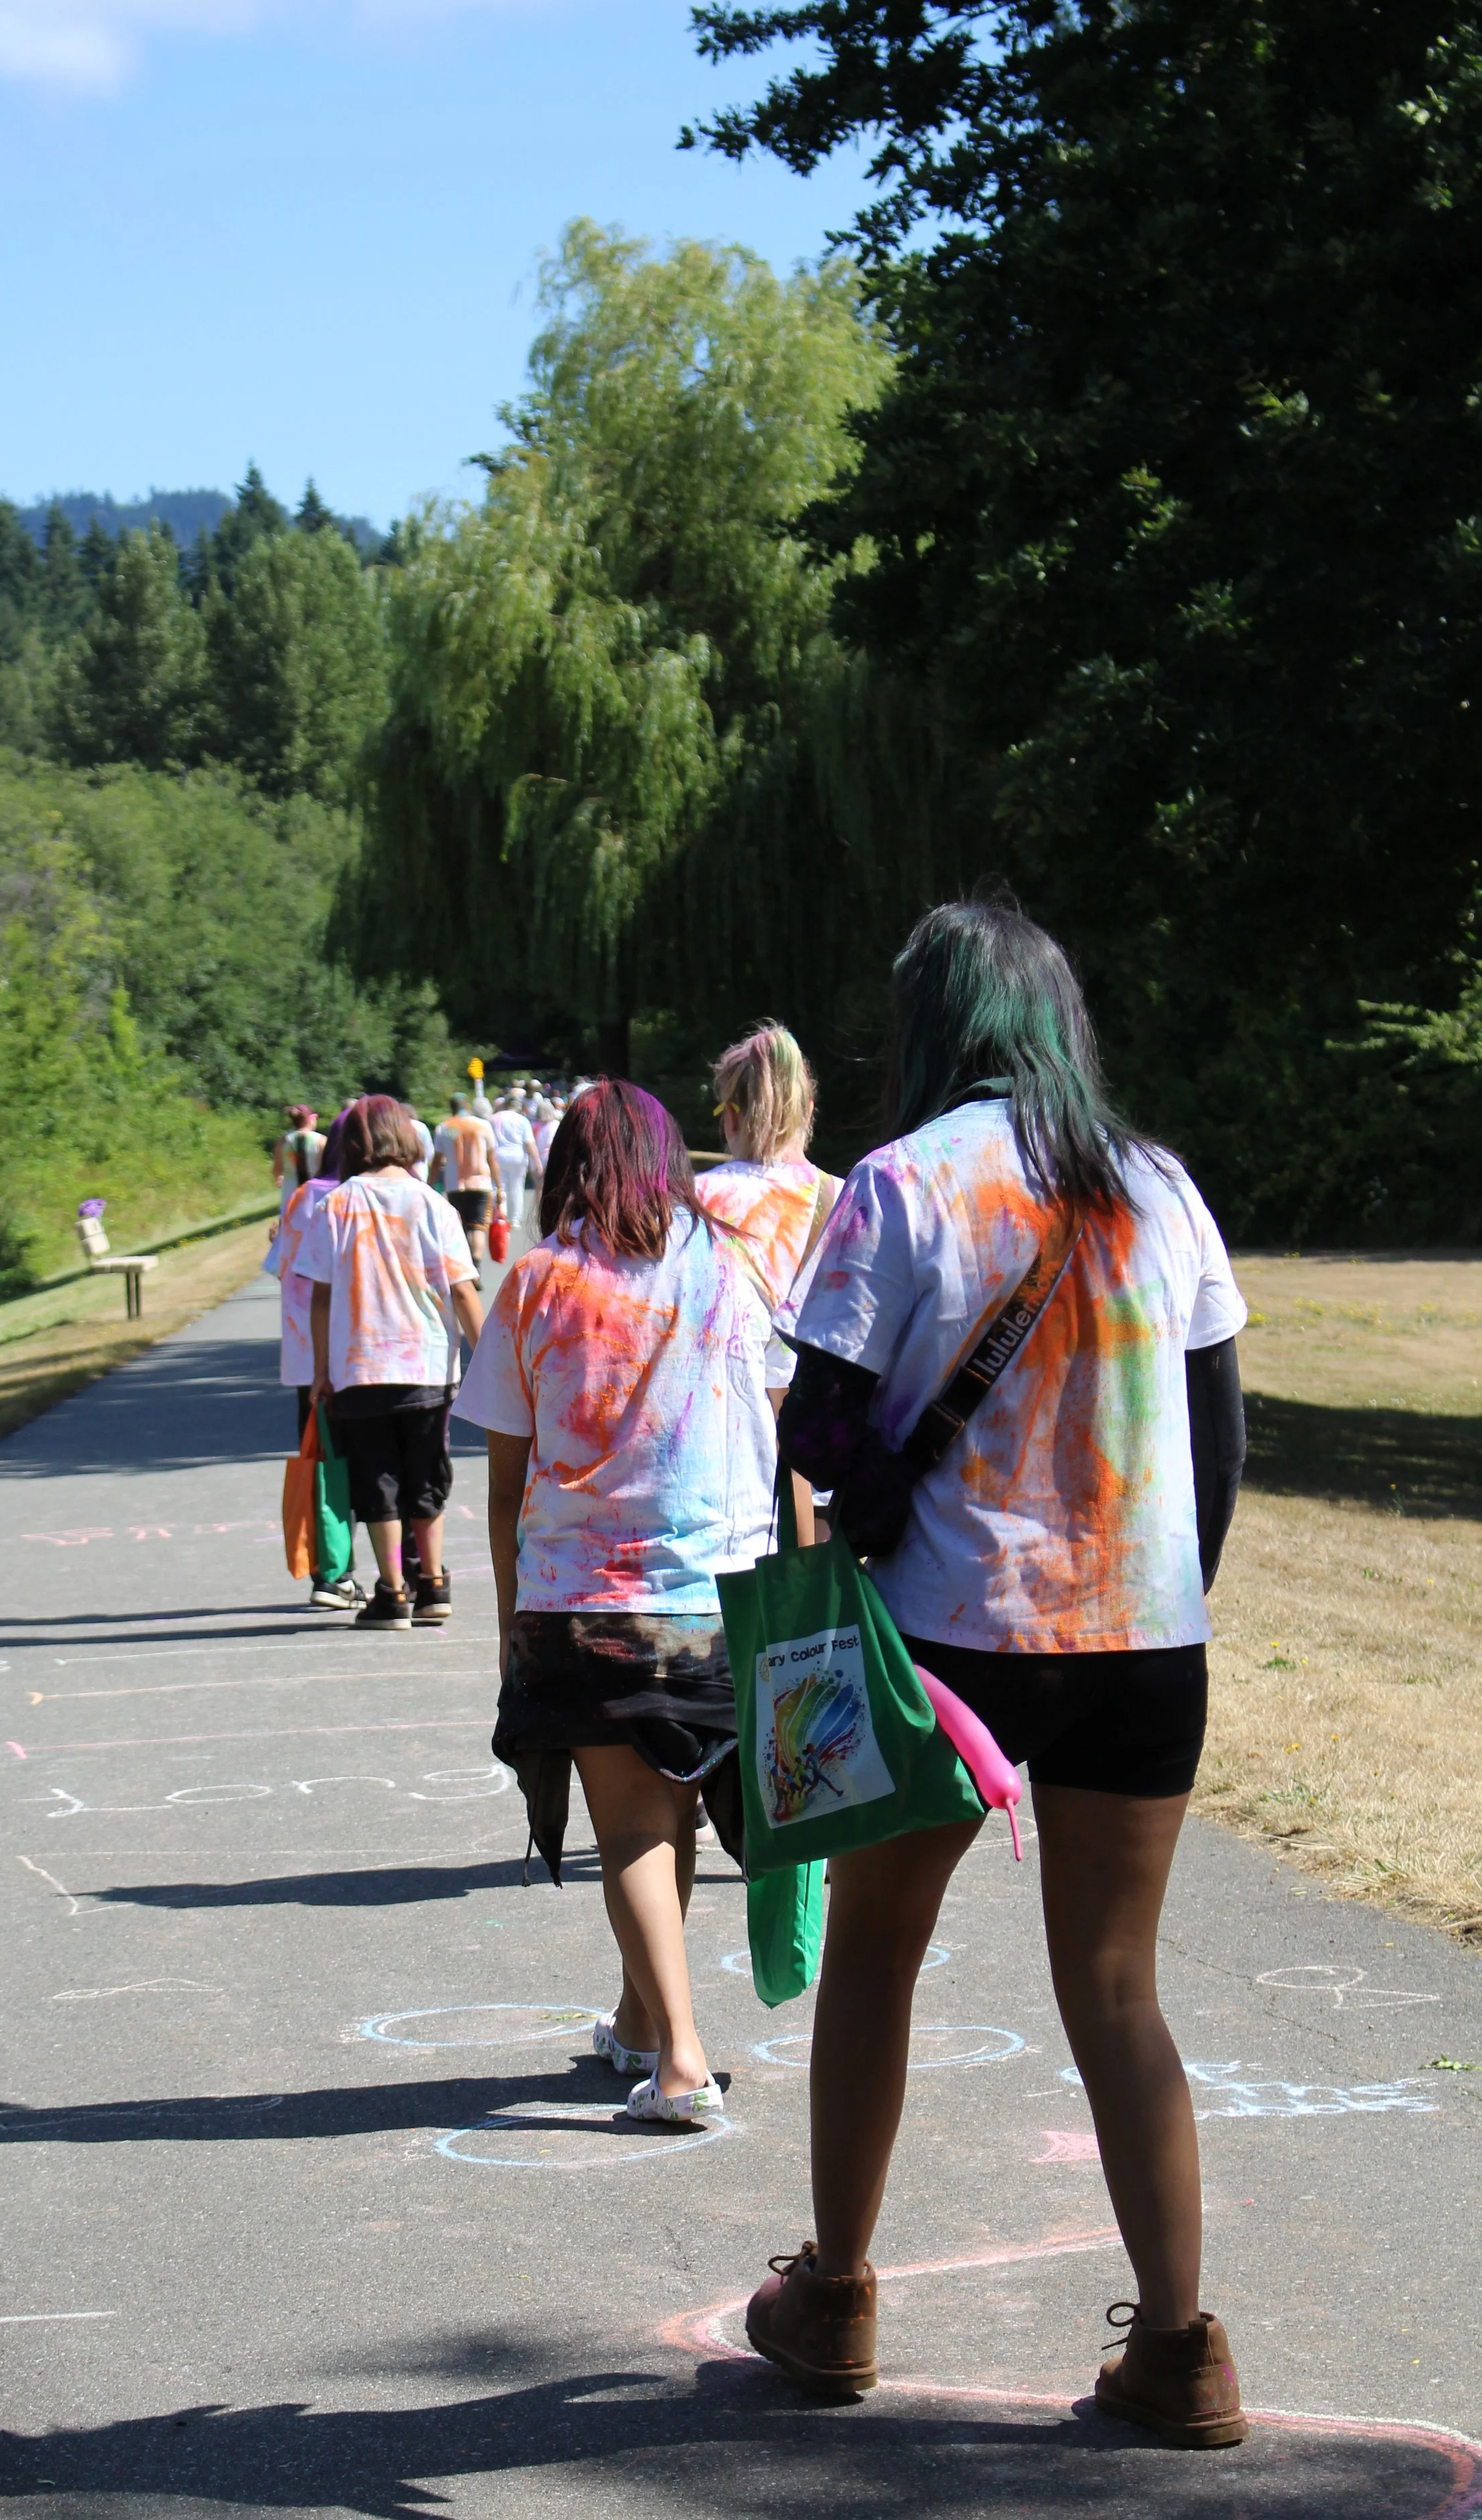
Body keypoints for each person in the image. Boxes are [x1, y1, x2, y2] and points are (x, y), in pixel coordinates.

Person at [742, 896, 1250, 2445]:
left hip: (946, 1635)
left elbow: (816, 1433)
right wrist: (1167, 1594)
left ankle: (834, 2295)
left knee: (879, 1955)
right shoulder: (1160, 1185)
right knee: (1118, 1987)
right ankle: (1181, 2346)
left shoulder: (900, 1183)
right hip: (1144, 1637)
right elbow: (1217, 1432)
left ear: (933, 1023)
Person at [455, 1080, 778, 2124]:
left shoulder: (540, 1281)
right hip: (721, 1594)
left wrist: (511, 1615)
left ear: (569, 1170)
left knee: (634, 1823)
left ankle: (679, 2057)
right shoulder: (730, 1266)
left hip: (585, 1599)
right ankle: (640, 2021)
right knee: (672, 1804)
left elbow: (508, 1479)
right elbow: (779, 1433)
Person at [302, 1095, 487, 1630]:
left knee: (376, 1481)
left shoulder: (335, 1205)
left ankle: (393, 1592)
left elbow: (319, 1297)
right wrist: (489, 1358)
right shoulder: (434, 1205)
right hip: (427, 1364)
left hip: (359, 1366)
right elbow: (463, 1291)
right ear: (408, 1139)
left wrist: (321, 1372)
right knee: (428, 1476)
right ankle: (433, 1583)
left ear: (355, 1144)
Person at [697, 1021, 845, 1539]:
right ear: (808, 1111)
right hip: (823, 1467)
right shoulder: (851, 1201)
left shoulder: (692, 1204)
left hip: (720, 1465)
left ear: (731, 1115)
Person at [266, 1116, 355, 1609]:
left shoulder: (304, 1198)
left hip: (306, 1358)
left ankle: (329, 1571)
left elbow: (281, 1269)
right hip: (357, 1353)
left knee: (322, 1464)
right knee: (371, 1464)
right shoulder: (359, 1196)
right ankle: (400, 1571)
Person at [431, 1092, 503, 1268]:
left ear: (452, 1107)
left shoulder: (444, 1128)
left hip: (455, 1185)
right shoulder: (482, 1126)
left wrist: (430, 1185)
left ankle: (465, 1265)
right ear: (468, 1106)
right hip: (481, 1184)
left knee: (460, 1227)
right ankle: (476, 1263)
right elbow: (492, 1159)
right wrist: (500, 1186)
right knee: (478, 1226)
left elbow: (437, 1161)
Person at [490, 1087, 542, 1233]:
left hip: (497, 1156)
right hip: (518, 1156)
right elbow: (529, 1143)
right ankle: (515, 1219)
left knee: (499, 1186)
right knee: (517, 1187)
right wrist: (536, 1161)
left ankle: (501, 1214)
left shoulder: (494, 1118)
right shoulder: (523, 1120)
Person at [273, 1104, 324, 1211]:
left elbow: (277, 1170)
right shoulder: (321, 1140)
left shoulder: (283, 1141)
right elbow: (327, 1168)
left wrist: (280, 1177)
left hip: (291, 1193)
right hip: (316, 1193)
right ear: (310, 1120)